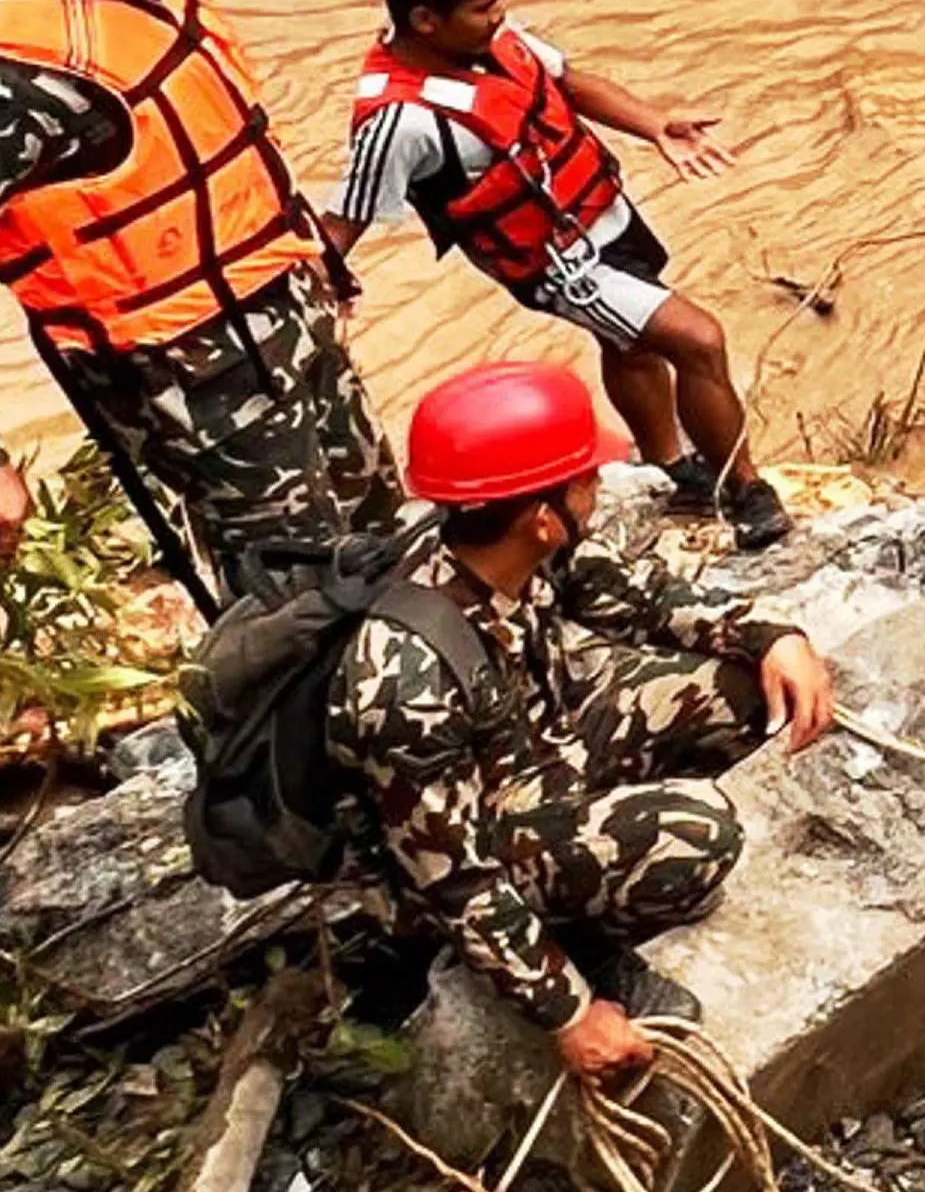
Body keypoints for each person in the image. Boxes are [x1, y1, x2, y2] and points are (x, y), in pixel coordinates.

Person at [0, 0, 389, 614]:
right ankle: (303, 730)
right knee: (303, 603)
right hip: (199, 393)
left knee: (380, 530)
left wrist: (319, 267)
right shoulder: (14, 97)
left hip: (289, 324)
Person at [328, 361, 837, 1086]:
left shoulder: (516, 543)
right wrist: (567, 1010)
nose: (596, 489)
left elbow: (647, 600)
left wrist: (771, 635)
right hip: (458, 843)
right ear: (542, 514)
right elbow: (452, 877)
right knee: (698, 835)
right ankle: (587, 942)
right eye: (586, 480)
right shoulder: (405, 683)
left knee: (747, 693)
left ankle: (595, 867)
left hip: (536, 746)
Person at [326, 0, 781, 550]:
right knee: (699, 341)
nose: (500, 15)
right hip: (555, 262)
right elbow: (345, 217)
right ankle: (747, 490)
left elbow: (567, 82)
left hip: (602, 211)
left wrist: (654, 125)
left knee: (631, 347)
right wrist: (318, 290)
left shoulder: (496, 42)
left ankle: (674, 473)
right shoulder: (397, 122)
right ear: (426, 19)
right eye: (484, 7)